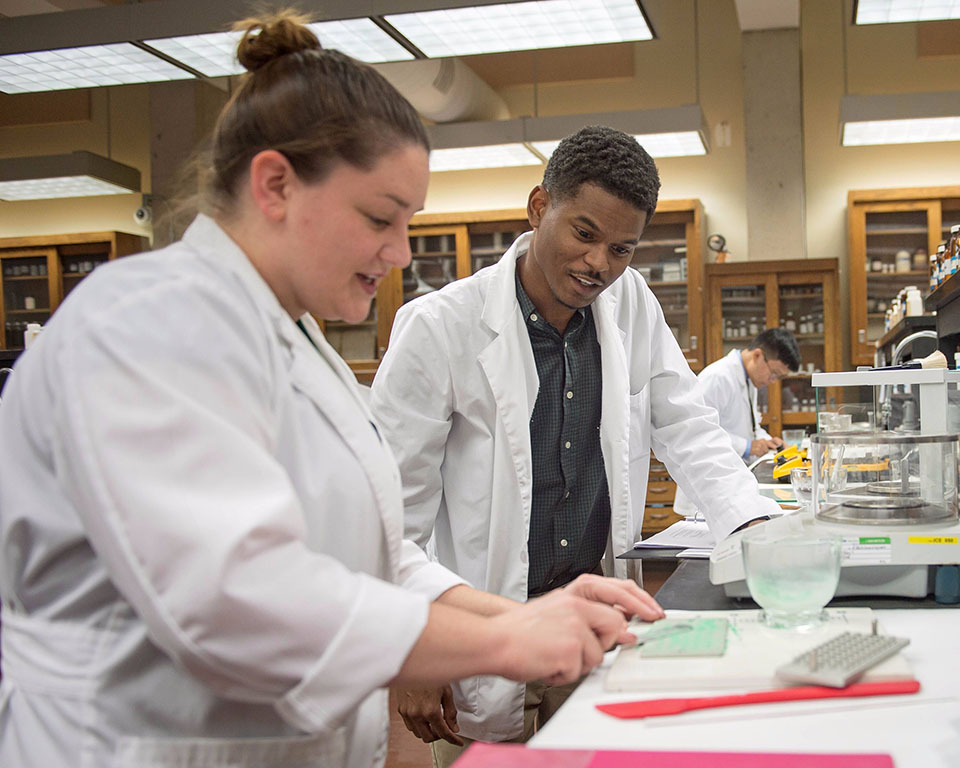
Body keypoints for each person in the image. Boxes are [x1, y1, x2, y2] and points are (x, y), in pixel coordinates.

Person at [0, 15, 663, 768]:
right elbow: (232, 598)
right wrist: (504, 637)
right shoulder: (145, 326)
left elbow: (376, 557)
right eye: (381, 218)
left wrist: (531, 612)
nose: (401, 251)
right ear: (275, 184)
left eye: (408, 222)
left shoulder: (297, 346)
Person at [370, 125, 783, 766]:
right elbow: (392, 514)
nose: (599, 265)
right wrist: (416, 644)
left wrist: (755, 527)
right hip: (485, 630)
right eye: (583, 235)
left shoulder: (629, 302)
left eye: (621, 248)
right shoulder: (439, 328)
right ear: (540, 208)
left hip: (590, 625)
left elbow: (685, 423)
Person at [697, 328, 801, 460]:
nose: (773, 381)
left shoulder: (749, 379)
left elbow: (750, 428)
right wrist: (746, 447)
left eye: (779, 377)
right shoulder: (716, 377)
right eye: (774, 373)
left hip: (734, 467)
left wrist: (769, 442)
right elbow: (701, 431)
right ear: (757, 355)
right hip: (711, 471)